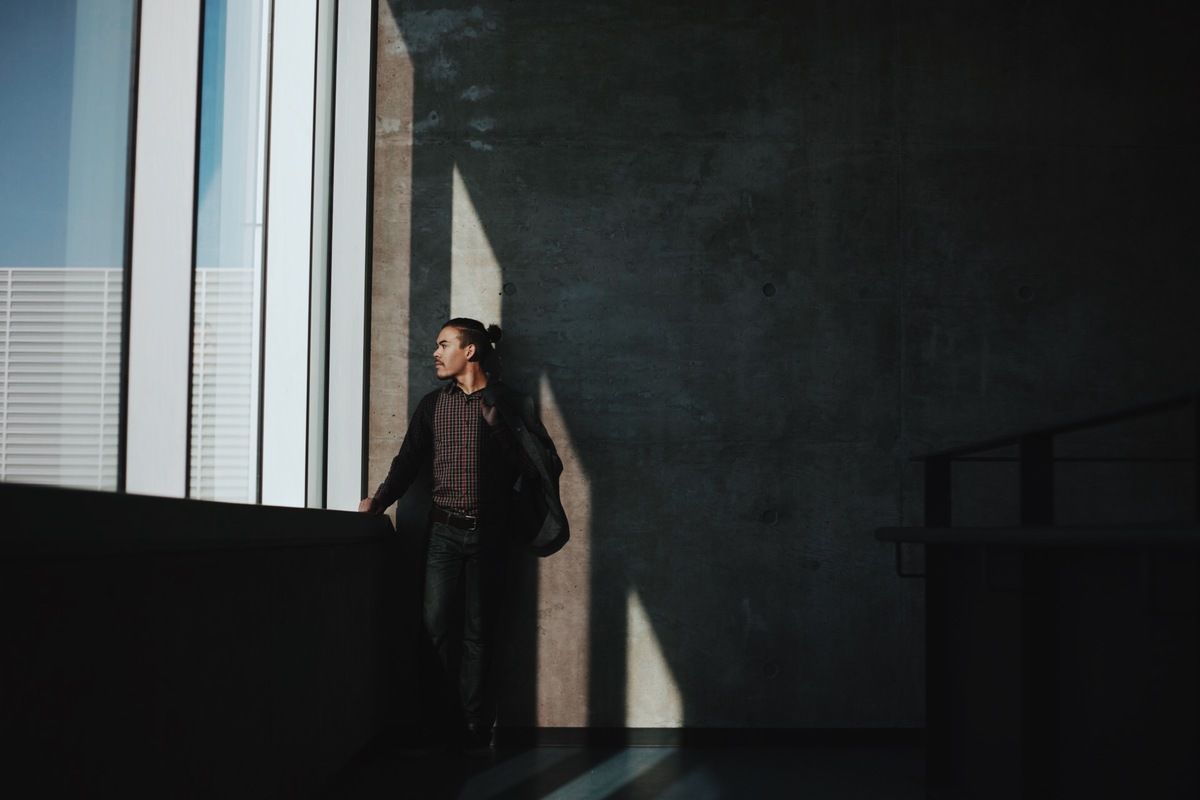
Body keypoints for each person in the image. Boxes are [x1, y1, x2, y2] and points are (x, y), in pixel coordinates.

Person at [359, 318, 564, 753]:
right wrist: (378, 501)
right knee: (433, 630)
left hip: (491, 536)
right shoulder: (433, 406)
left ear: (470, 351)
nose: (435, 352)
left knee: (479, 633)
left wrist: (498, 429)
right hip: (442, 535)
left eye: (444, 344)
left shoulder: (509, 404)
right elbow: (408, 460)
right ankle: (437, 724)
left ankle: (474, 727)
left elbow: (537, 470)